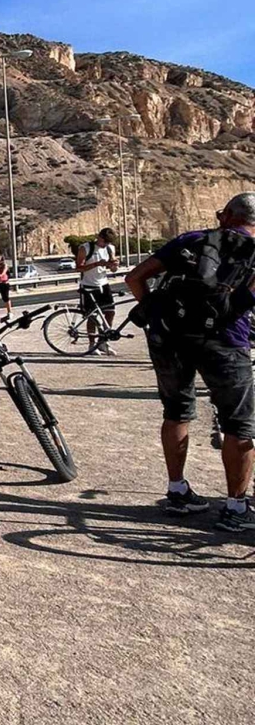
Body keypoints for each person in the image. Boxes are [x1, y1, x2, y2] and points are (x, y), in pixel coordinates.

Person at [123, 193, 255, 532]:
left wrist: (153, 310)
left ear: (227, 215)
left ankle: (178, 491)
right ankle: (235, 507)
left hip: (170, 340)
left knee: (177, 412)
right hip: (227, 343)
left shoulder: (192, 240)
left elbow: (134, 278)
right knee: (238, 425)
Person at [76, 227, 120, 355]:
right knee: (92, 316)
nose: (105, 244)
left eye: (108, 242)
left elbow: (113, 270)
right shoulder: (86, 248)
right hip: (88, 285)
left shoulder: (110, 248)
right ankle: (92, 345)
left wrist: (114, 265)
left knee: (110, 312)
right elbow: (78, 268)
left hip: (104, 284)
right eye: (104, 242)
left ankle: (103, 342)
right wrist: (96, 264)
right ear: (99, 237)